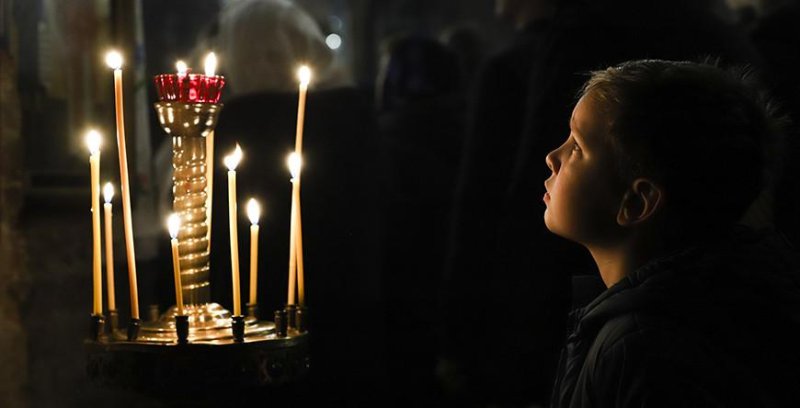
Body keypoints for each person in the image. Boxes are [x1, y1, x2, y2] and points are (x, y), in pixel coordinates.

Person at [545, 59, 800, 406]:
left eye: (577, 146)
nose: (552, 157)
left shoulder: (643, 349)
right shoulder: (728, 297)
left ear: (637, 201)